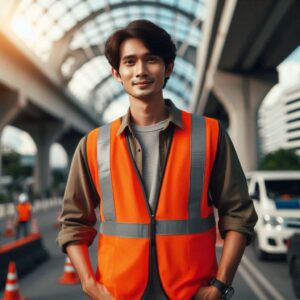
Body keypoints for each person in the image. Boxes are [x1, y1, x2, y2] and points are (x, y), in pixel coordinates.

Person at [57, 20, 257, 300]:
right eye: (129, 62)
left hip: (192, 292)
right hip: (118, 293)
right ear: (117, 73)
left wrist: (220, 286)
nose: (140, 71)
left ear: (168, 67)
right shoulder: (93, 144)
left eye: (150, 59)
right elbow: (73, 222)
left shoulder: (209, 134)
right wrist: (90, 284)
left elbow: (238, 214)